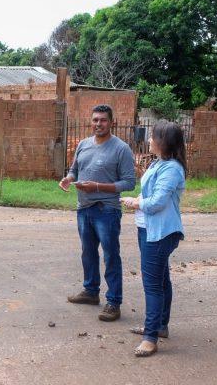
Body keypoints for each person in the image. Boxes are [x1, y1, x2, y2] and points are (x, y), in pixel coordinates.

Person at [59, 105, 136, 322]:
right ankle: (91, 291)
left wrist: (98, 187)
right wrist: (68, 178)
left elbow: (129, 183)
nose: (98, 124)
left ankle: (113, 302)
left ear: (111, 122)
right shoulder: (83, 144)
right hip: (84, 208)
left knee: (111, 255)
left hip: (107, 210)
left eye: (103, 120)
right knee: (88, 252)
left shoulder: (121, 149)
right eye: (95, 120)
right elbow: (74, 169)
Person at [120, 121, 186, 357]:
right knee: (161, 280)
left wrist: (134, 203)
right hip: (148, 229)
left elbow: (157, 202)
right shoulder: (160, 163)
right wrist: (138, 197)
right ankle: (159, 326)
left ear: (164, 141)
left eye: (153, 137)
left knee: (153, 286)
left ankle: (151, 337)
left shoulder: (172, 169)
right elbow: (150, 192)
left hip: (159, 233)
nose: (149, 140)